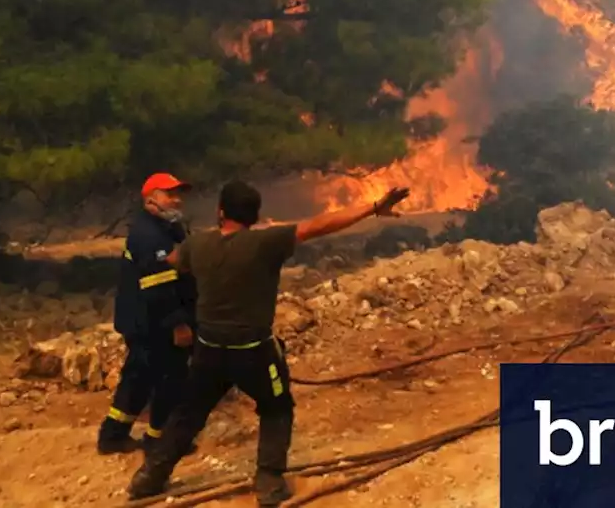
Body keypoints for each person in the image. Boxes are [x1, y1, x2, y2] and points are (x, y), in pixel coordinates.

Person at [127, 180, 411, 505]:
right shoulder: (266, 242)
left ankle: (150, 477)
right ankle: (269, 481)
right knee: (277, 409)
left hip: (209, 349)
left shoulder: (198, 246)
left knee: (189, 412)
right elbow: (318, 225)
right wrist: (373, 207)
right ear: (255, 215)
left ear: (221, 212)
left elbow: (172, 260)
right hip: (254, 352)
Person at [97, 172, 199, 455]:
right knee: (170, 376)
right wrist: (179, 324)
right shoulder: (148, 235)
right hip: (154, 323)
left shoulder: (165, 228)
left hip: (144, 321)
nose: (177, 199)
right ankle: (161, 440)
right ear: (151, 198)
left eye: (179, 193)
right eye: (170, 193)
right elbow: (158, 285)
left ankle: (113, 435)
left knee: (139, 377)